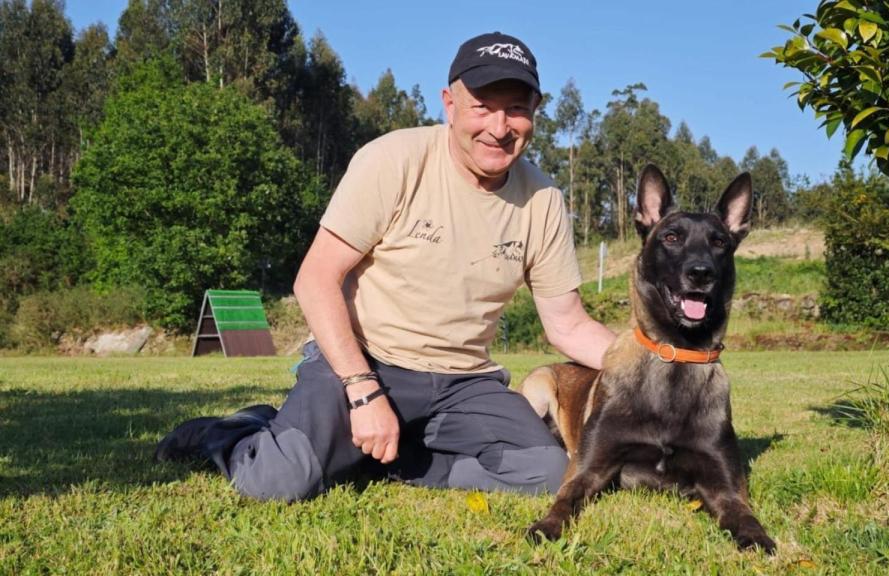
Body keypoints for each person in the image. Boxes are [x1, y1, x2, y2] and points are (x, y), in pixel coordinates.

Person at [154, 31, 616, 501]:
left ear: (535, 111)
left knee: (545, 470)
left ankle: (380, 457)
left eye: (516, 108)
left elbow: (569, 324)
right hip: (367, 360)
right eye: (482, 106)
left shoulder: (543, 199)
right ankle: (234, 430)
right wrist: (363, 390)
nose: (499, 126)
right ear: (449, 104)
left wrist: (655, 359)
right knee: (278, 482)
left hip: (466, 383)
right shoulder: (393, 160)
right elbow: (315, 279)